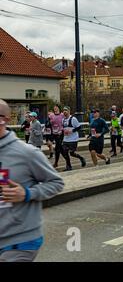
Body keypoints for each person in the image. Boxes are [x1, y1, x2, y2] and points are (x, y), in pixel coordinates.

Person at [0, 99, 64, 262]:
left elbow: (56, 183)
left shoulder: (26, 153)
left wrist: (27, 193)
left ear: (5, 120)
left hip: (20, 241)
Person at [61, 106, 86, 171]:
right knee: (65, 152)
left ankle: (81, 158)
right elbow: (63, 128)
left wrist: (71, 131)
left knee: (71, 153)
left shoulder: (73, 119)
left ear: (69, 111)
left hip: (73, 139)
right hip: (66, 139)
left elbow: (79, 127)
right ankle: (69, 166)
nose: (64, 112)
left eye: (66, 110)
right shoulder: (63, 120)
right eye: (64, 110)